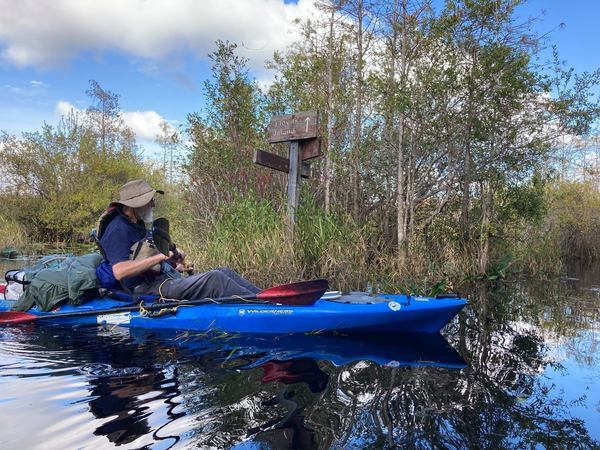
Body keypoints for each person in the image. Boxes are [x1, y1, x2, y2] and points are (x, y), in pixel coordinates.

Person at [99, 179, 261, 300]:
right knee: (215, 279)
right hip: (143, 289)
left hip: (160, 280)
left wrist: (176, 265)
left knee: (223, 271)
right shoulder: (118, 229)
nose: (153, 204)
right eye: (150, 201)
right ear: (136, 204)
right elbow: (120, 271)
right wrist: (161, 256)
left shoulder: (137, 224)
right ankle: (263, 308)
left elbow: (147, 261)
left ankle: (268, 299)